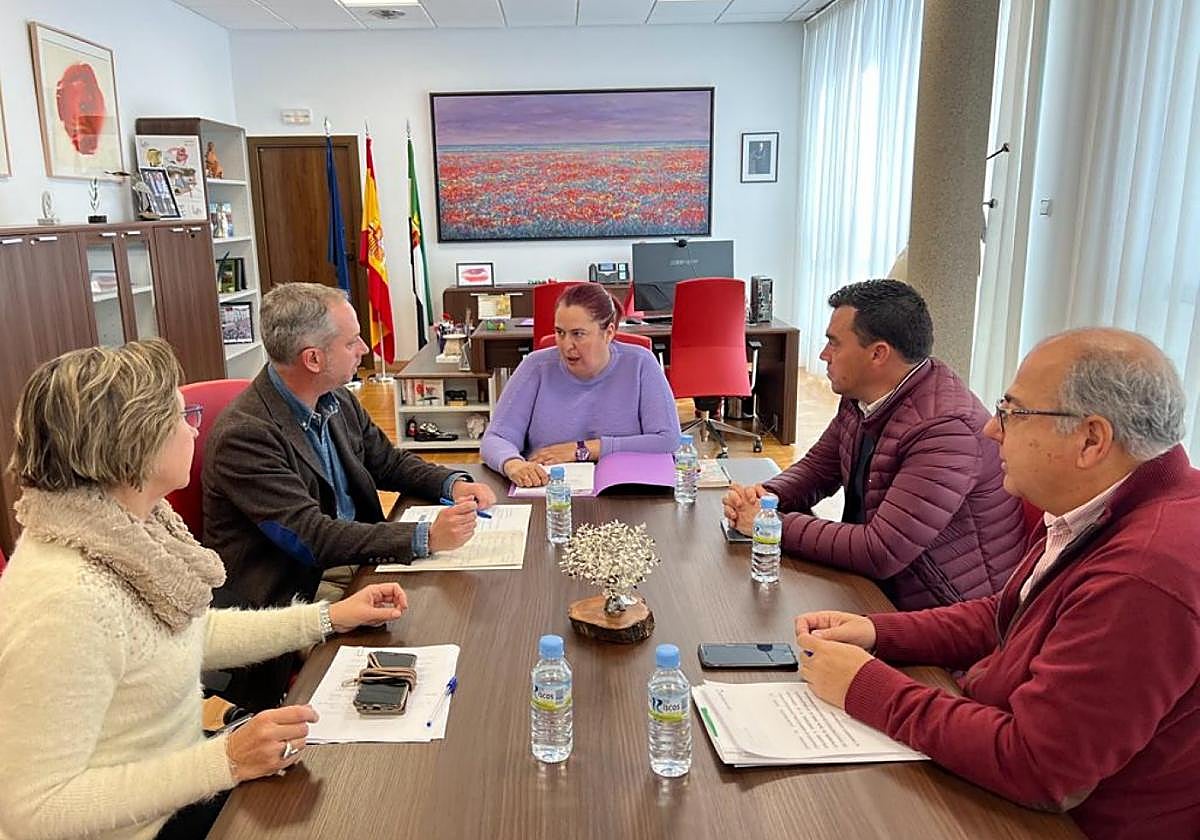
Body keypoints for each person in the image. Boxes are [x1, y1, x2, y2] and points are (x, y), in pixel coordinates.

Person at [794, 328, 1200, 840]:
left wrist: (865, 685)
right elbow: (1007, 614)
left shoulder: (1144, 572)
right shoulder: (1105, 506)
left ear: (1091, 440)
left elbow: (1038, 766)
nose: (991, 429)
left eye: (1013, 411)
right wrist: (876, 634)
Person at [0, 339, 412, 840]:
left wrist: (328, 618)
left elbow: (191, 633)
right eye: (181, 415)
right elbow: (33, 811)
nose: (195, 425)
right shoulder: (65, 596)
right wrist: (224, 761)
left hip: (179, 782)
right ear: (134, 443)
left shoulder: (126, 532)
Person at [203, 282, 495, 708]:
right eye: (351, 340)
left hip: (352, 563)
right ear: (313, 358)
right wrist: (424, 537)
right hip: (295, 591)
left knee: (459, 610)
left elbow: (387, 462)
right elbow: (312, 536)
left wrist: (451, 483)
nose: (363, 348)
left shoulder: (333, 396)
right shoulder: (246, 435)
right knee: (435, 632)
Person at [724, 279, 1023, 609]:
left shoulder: (947, 430)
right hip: (876, 586)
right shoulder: (862, 397)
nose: (823, 355)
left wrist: (771, 523)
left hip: (943, 613)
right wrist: (764, 497)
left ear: (878, 354)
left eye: (834, 344)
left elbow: (881, 550)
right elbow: (817, 471)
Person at [480, 282, 679, 487]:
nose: (566, 345)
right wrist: (513, 464)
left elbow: (667, 439)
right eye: (560, 332)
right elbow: (496, 438)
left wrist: (582, 449)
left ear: (609, 332)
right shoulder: (535, 366)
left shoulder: (640, 363)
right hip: (550, 491)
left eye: (578, 334)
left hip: (624, 492)